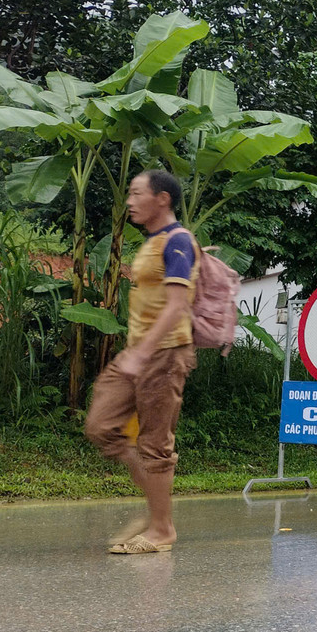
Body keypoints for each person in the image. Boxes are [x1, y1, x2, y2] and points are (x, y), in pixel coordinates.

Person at [85, 170, 200, 554]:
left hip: (164, 353)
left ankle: (162, 530)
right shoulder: (152, 241)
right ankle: (155, 509)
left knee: (155, 444)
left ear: (162, 198)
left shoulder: (178, 240)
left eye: (137, 194)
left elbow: (177, 305)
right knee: (101, 426)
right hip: (138, 351)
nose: (130, 201)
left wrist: (142, 353)